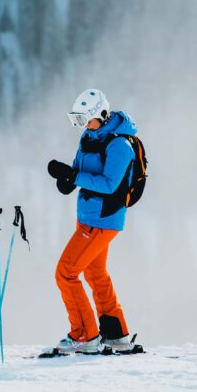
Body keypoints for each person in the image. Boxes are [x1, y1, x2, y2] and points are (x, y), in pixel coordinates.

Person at [47, 87, 137, 354]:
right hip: (87, 216)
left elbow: (110, 184)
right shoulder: (88, 137)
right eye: (78, 121)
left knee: (66, 272)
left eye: (86, 119)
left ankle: (86, 336)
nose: (83, 126)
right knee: (95, 273)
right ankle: (115, 334)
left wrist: (74, 178)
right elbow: (79, 170)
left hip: (104, 219)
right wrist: (66, 178)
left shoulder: (121, 145)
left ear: (103, 114)